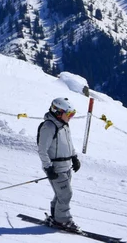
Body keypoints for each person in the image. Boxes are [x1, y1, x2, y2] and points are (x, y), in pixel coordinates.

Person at [37, 97, 82, 233]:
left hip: (66, 165)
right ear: (58, 112)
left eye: (72, 114)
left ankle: (56, 216)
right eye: (69, 114)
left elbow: (69, 143)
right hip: (55, 167)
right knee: (66, 194)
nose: (71, 117)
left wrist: (74, 157)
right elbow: (42, 150)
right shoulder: (49, 127)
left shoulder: (63, 125)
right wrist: (48, 167)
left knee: (60, 194)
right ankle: (63, 220)